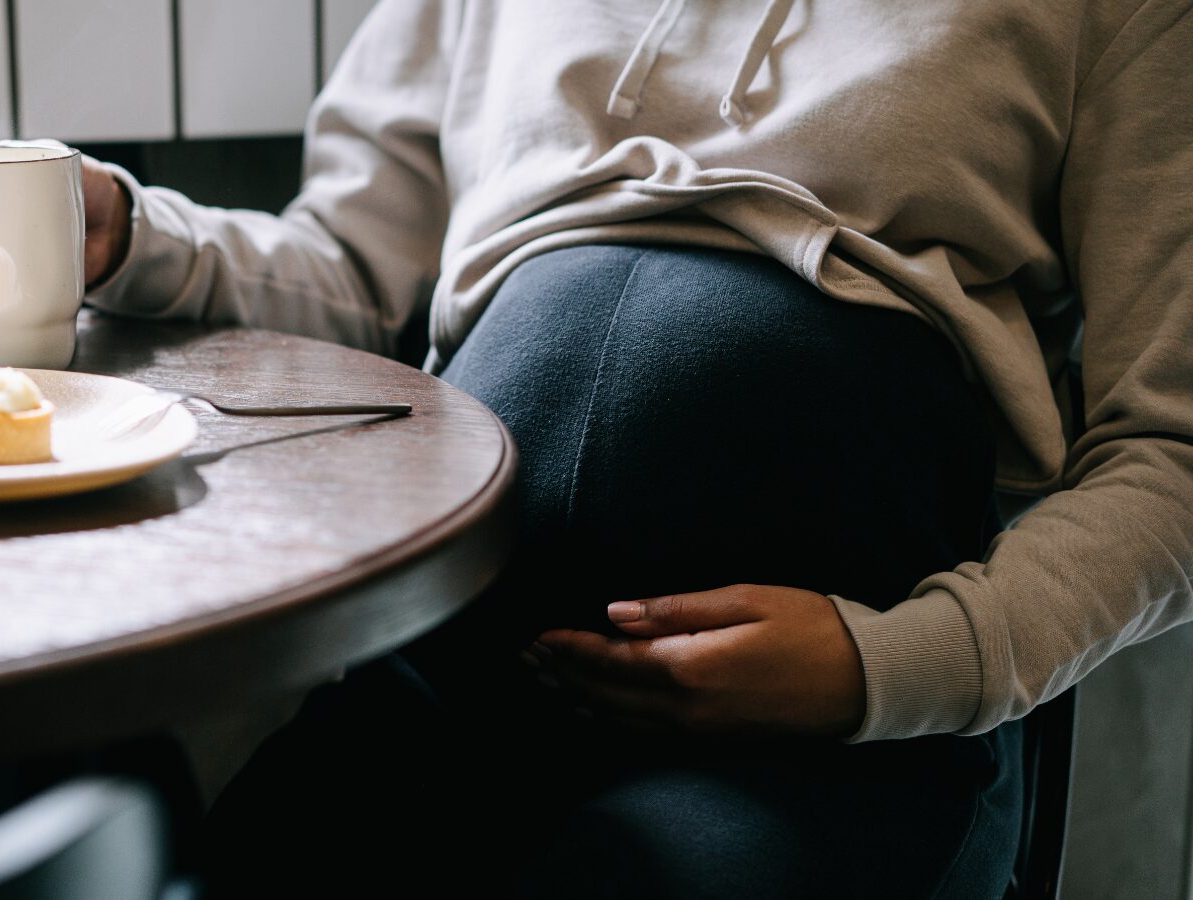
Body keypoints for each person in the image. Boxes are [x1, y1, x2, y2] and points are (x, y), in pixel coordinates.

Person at [74, 1, 1193, 896]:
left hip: (823, 748)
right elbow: (355, 272)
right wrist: (132, 234)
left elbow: (1172, 456)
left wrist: (892, 668)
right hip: (447, 690)